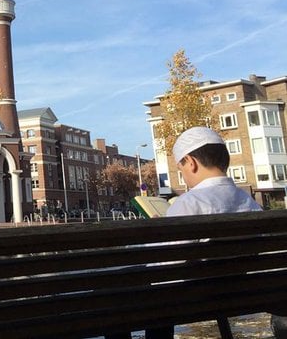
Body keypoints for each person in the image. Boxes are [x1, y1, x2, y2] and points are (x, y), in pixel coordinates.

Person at [107, 127, 262, 339]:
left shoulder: (190, 203)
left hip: (190, 297)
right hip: (237, 292)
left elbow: (162, 266)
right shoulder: (249, 203)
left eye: (182, 170)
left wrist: (156, 233)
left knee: (115, 289)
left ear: (191, 162)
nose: (184, 177)